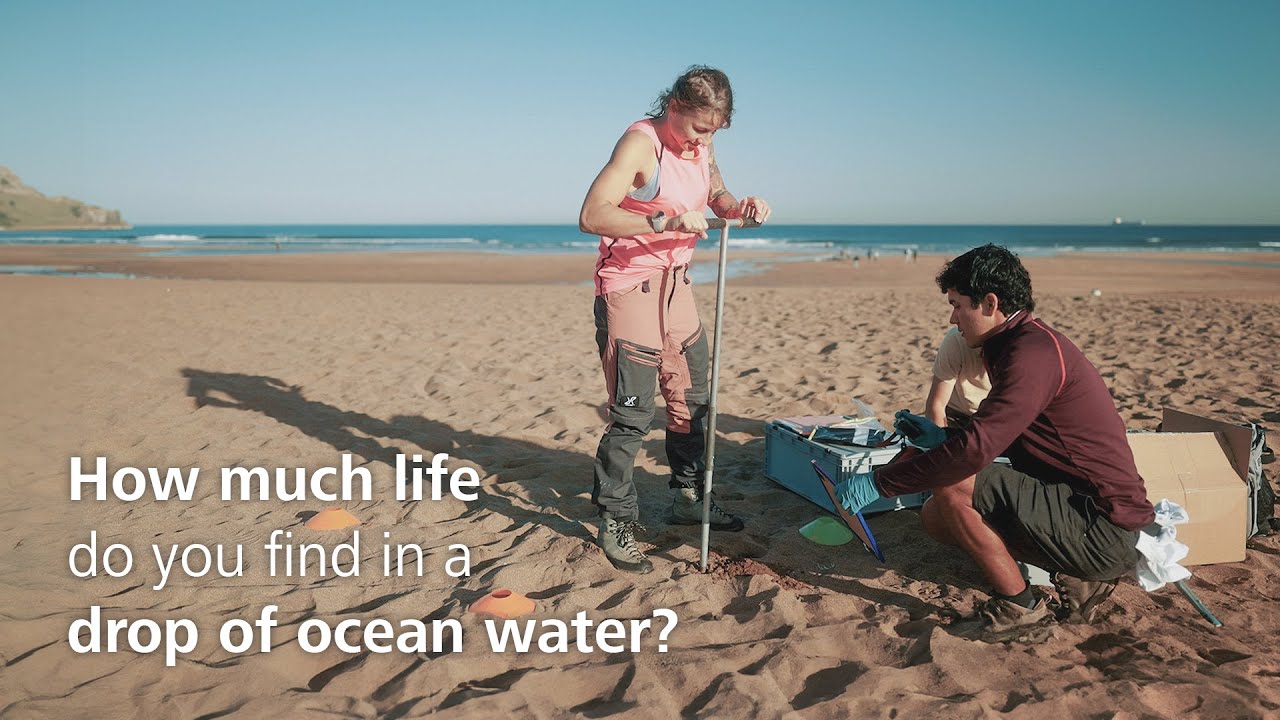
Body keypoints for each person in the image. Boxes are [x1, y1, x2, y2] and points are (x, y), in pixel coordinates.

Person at [836, 244, 1154, 631]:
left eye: (957, 305)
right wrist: (941, 436)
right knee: (937, 519)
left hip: (1102, 524)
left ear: (990, 303)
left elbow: (977, 448)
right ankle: (1081, 578)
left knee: (952, 484)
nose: (954, 319)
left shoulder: (1031, 353)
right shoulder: (1015, 342)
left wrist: (879, 481)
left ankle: (1020, 610)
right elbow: (1010, 437)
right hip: (1072, 501)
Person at [578, 66, 771, 574]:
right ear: (674, 109)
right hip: (630, 287)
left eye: (713, 131)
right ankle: (616, 518)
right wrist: (661, 221)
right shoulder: (641, 144)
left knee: (691, 400)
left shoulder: (700, 145)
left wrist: (738, 207)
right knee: (633, 411)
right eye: (698, 129)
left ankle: (688, 499)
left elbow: (716, 194)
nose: (703, 141)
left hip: (677, 287)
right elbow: (592, 214)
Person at [924, 327, 991, 430]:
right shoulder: (958, 338)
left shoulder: (1020, 343)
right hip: (957, 415)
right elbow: (936, 405)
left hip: (998, 417)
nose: (953, 319)